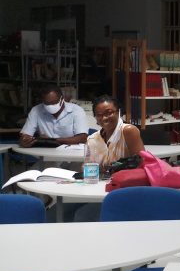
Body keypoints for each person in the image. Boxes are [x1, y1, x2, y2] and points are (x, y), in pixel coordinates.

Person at [54, 95, 144, 223]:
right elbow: (86, 167)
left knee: (83, 216)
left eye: (109, 113)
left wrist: (107, 168)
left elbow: (141, 163)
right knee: (57, 211)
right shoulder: (92, 139)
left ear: (118, 112)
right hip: (98, 189)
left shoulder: (128, 131)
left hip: (123, 190)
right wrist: (88, 169)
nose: (104, 118)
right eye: (99, 115)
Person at [20, 85, 88, 147]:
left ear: (62, 99)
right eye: (47, 103)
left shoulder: (76, 110)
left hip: (70, 152)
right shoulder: (36, 110)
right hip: (45, 152)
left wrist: (53, 141)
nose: (50, 106)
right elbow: (25, 135)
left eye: (53, 103)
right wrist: (25, 140)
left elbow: (82, 138)